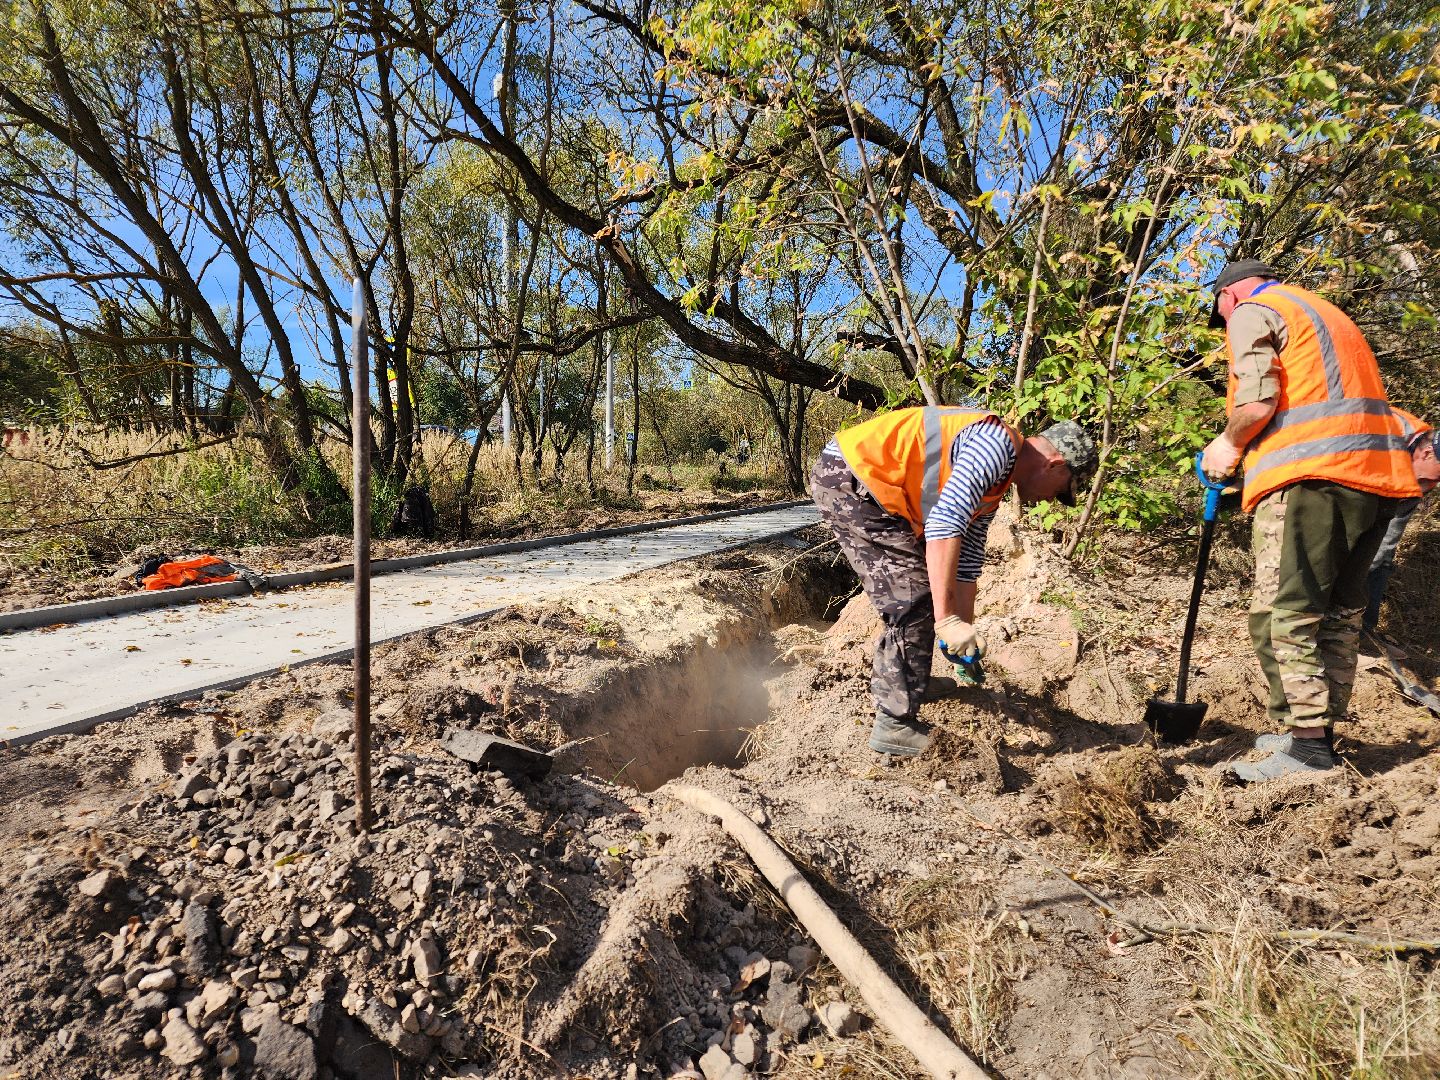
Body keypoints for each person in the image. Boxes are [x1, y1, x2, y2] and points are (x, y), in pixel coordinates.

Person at [1200, 259, 1422, 781]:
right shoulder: (1326, 312)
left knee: (1285, 612)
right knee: (1340, 612)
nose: (1225, 321)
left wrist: (1227, 444)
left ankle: (1308, 750)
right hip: (1377, 479)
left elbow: (1258, 402)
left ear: (1228, 296)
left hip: (1312, 479)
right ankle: (1316, 732)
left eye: (1220, 313)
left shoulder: (1252, 311)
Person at [810, 407, 1098, 757]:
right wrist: (947, 621)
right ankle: (894, 723)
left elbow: (965, 564)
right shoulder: (995, 447)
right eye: (1061, 491)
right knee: (914, 594)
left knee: (924, 586)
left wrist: (963, 638)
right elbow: (944, 525)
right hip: (852, 479)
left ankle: (911, 682)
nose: (1052, 500)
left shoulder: (995, 486)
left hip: (872, 487)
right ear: (1055, 464)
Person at [1364, 409, 1438, 631]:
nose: (1434, 484)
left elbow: (1385, 542)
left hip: (1394, 490)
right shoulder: (1387, 432)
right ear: (1427, 454)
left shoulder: (1425, 475)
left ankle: (1364, 629)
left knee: (1382, 557)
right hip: (1351, 479)